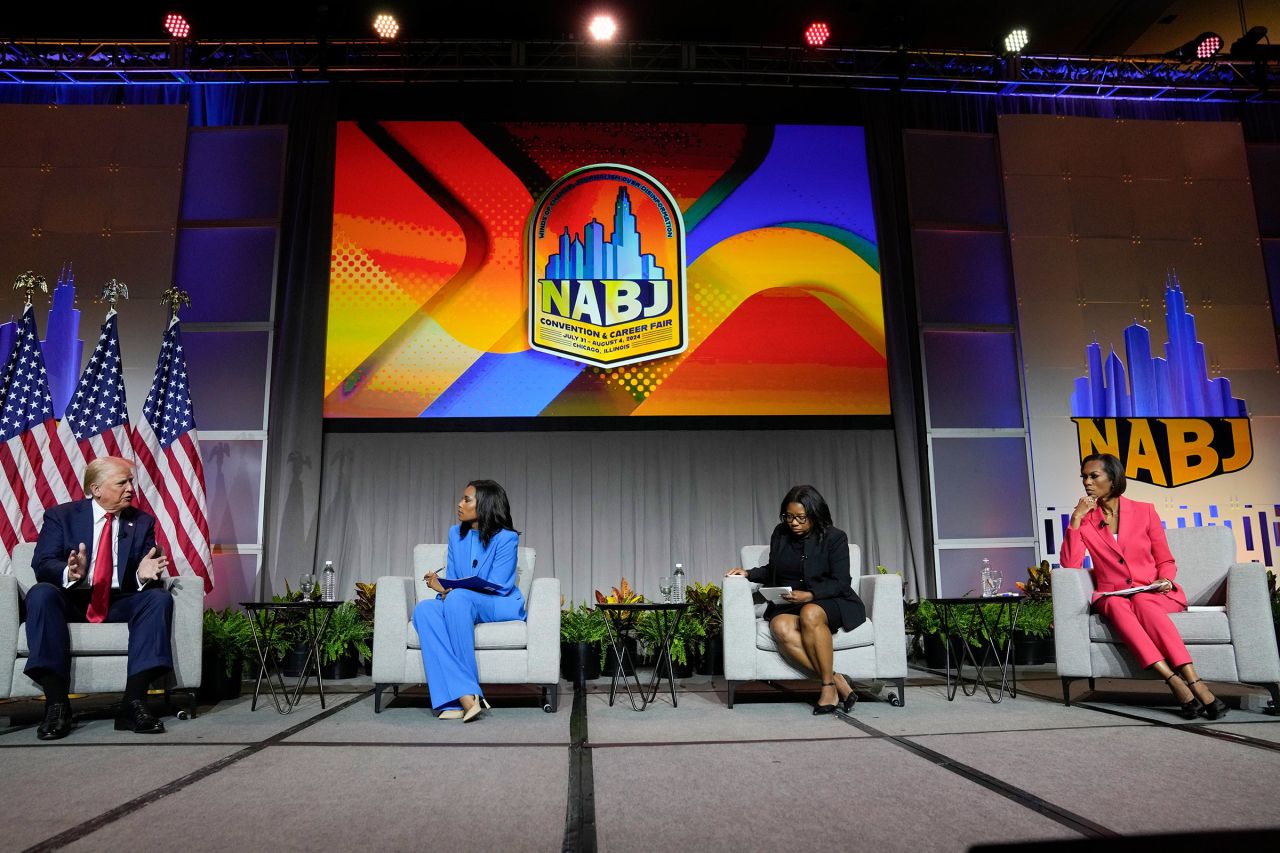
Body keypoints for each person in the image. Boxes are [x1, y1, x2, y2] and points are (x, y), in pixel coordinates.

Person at [1060, 453, 1227, 720]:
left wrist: (1166, 579)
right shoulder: (1086, 520)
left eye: (1094, 476)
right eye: (1084, 477)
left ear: (1113, 478)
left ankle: (1193, 680)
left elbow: (1165, 558)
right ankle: (1173, 680)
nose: (1087, 483)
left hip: (1152, 590)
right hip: (1112, 593)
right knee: (1115, 603)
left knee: (1142, 601)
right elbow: (1070, 565)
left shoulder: (1144, 510)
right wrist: (1076, 520)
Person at [24, 456, 173, 740]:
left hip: (120, 600)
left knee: (158, 599)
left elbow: (143, 568)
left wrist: (143, 575)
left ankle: (134, 703)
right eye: (122, 482)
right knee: (40, 594)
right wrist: (69, 572)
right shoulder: (61, 516)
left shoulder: (142, 522)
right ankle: (57, 705)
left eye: (131, 481)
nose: (131, 488)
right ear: (96, 489)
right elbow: (42, 564)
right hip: (74, 599)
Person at [726, 484, 866, 714]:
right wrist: (749, 573)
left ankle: (828, 688)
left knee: (810, 612)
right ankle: (836, 679)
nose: (793, 523)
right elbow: (773, 568)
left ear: (815, 514)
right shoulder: (780, 534)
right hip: (793, 603)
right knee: (779, 625)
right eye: (789, 516)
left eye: (800, 517)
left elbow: (841, 581)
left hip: (831, 599)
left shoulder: (835, 537)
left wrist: (811, 595)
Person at [413, 479, 525, 722]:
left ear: (484, 505)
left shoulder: (506, 538)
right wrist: (441, 586)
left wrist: (455, 589)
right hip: (461, 600)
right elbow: (453, 580)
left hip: (499, 602)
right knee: (424, 610)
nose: (459, 503)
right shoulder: (456, 535)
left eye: (466, 499)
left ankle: (467, 691)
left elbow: (501, 584)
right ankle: (458, 698)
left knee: (459, 599)